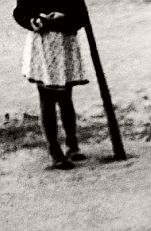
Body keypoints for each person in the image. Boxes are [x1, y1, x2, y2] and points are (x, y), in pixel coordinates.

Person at [13, 0, 89, 170]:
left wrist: (65, 18)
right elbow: (20, 13)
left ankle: (72, 144)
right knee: (47, 99)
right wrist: (33, 21)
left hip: (64, 43)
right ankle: (55, 151)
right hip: (42, 44)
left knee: (66, 97)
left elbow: (81, 15)